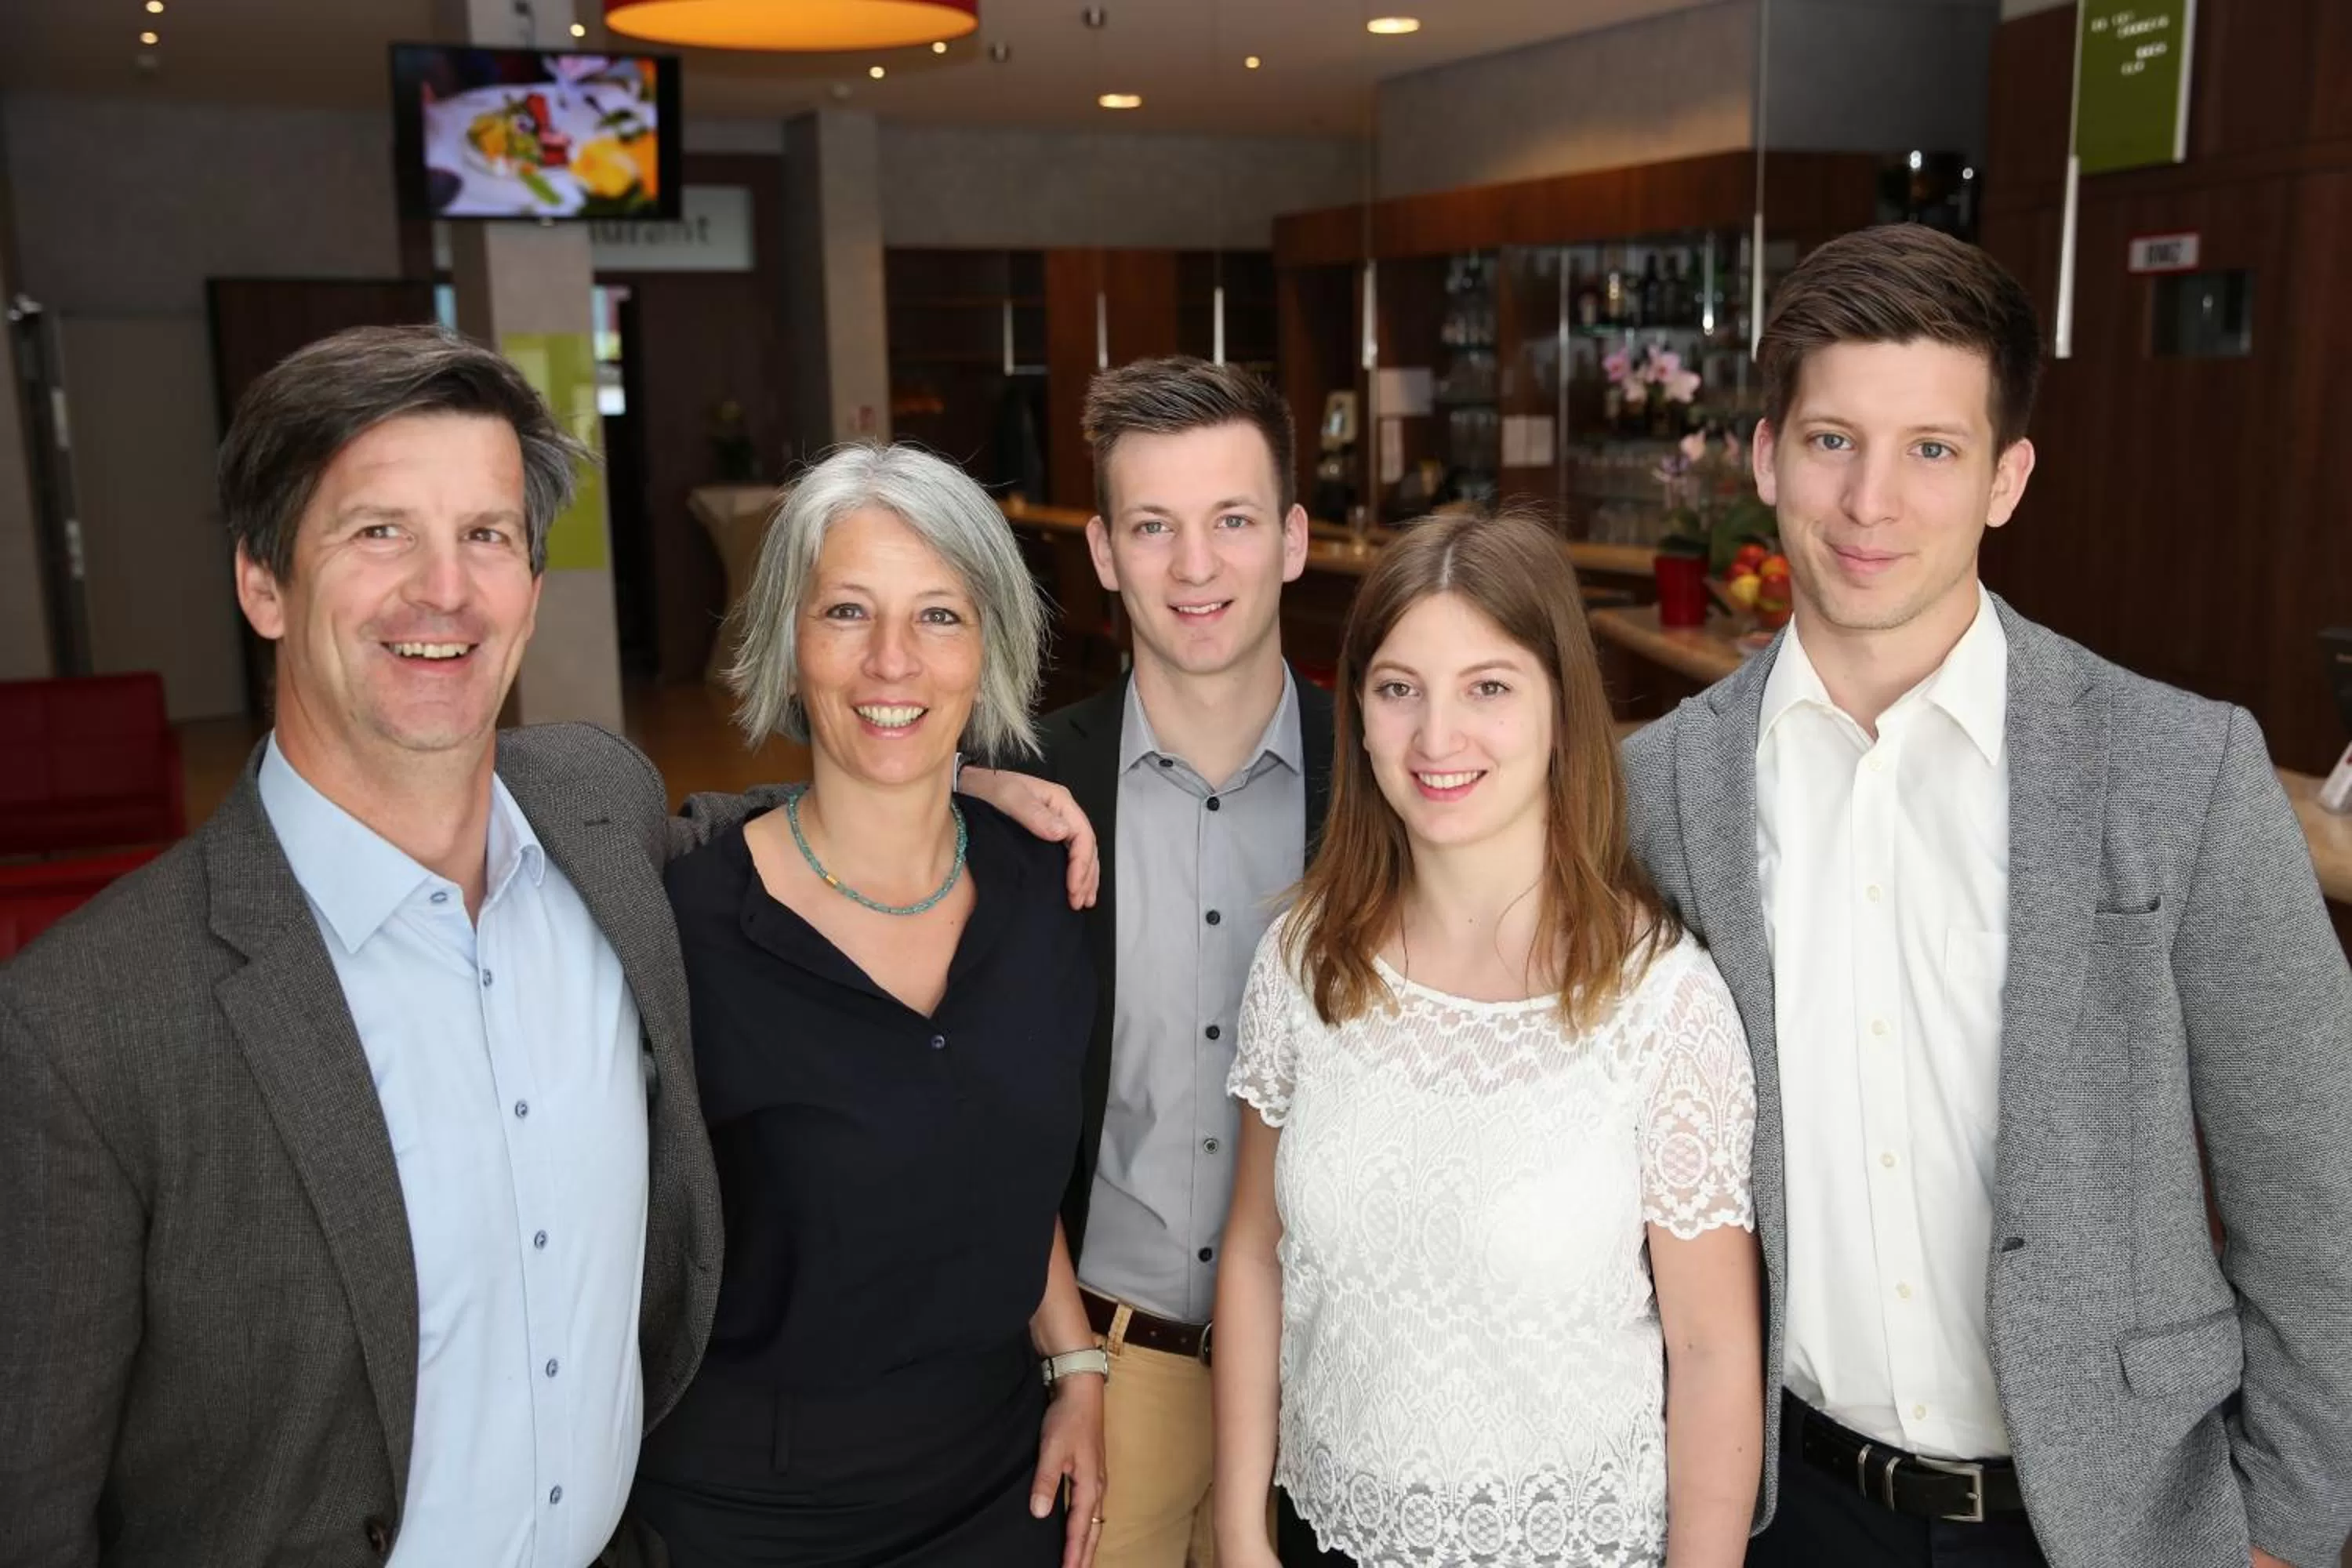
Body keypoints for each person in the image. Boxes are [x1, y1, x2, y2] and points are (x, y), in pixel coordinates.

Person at [0, 327, 1098, 1568]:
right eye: (379, 533)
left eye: (487, 535)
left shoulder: (598, 812)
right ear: (262, 581)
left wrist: (961, 791)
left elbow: (787, 845)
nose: (444, 589)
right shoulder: (81, 1029)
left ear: (530, 580)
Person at [1619, 223, 2352, 1568]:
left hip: (2120, 1521)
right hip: (1787, 1506)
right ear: (1768, 454)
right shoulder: (1655, 794)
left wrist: (2290, 1533)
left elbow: (2320, 1181)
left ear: (2008, 479)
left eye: (1932, 451)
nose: (1871, 503)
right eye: (1833, 440)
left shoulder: (2182, 769)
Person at [1214, 510, 1765, 1568]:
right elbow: (1253, 1252)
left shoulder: (1664, 1005)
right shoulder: (1302, 960)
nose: (1436, 738)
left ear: (1563, 708)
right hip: (1324, 1533)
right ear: (1360, 714)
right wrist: (1240, 1530)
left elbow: (1709, 1349)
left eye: (1489, 688)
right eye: (1398, 689)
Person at [626, 444, 1108, 1567]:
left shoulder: (1046, 886)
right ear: (789, 646)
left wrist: (1075, 1361)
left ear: (988, 646)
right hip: (755, 1514)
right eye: (847, 610)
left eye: (939, 616)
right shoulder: (686, 927)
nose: (893, 660)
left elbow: (993, 1149)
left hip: (1002, 1487)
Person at [1024, 356, 1334, 1568]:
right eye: (1154, 527)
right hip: (1111, 1379)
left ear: (1293, 539)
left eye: (1233, 522)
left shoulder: (1398, 780)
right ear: (1103, 551)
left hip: (1331, 1370)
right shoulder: (1026, 789)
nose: (1194, 568)